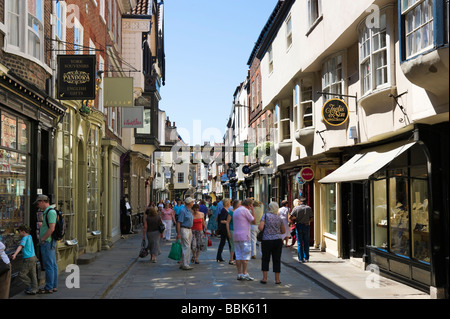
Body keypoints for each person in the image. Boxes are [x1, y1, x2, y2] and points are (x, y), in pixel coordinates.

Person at [36, 194, 58, 294]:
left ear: (42, 201)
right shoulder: (49, 212)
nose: (37, 205)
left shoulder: (50, 212)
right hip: (49, 241)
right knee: (52, 265)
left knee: (49, 265)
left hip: (48, 242)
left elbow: (52, 228)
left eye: (38, 203)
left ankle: (49, 287)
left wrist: (43, 239)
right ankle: (53, 286)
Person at [259, 202, 285, 284]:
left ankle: (264, 278)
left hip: (267, 240)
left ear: (269, 208)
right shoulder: (279, 218)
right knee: (277, 259)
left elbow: (260, 228)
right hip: (277, 240)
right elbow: (283, 231)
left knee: (265, 258)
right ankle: (277, 279)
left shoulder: (265, 216)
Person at [233, 198, 255, 281]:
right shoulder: (246, 211)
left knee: (238, 255)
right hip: (244, 235)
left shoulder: (236, 211)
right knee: (245, 256)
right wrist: (252, 210)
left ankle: (239, 274)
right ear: (249, 205)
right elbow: (254, 221)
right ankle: (245, 273)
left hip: (236, 235)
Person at [12, 225, 38, 295]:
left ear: (23, 231)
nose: (18, 233)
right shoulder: (30, 236)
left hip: (28, 259)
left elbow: (20, 246)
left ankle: (29, 285)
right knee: (33, 274)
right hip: (33, 257)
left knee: (21, 274)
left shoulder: (24, 238)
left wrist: (15, 254)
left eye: (19, 231)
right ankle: (34, 289)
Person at [290, 197, 314, 262]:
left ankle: (301, 258)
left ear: (300, 202)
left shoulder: (296, 208)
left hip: (298, 225)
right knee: (306, 242)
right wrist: (308, 221)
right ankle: (306, 258)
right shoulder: (308, 208)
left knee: (300, 243)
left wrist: (296, 218)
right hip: (306, 225)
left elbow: (290, 217)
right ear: (306, 202)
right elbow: (312, 218)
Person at [176, 197, 195, 270]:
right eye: (192, 202)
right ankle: (185, 264)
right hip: (184, 229)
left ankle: (185, 262)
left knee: (187, 246)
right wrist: (178, 233)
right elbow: (179, 222)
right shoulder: (183, 210)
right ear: (189, 203)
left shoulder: (189, 210)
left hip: (189, 229)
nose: (193, 203)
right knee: (186, 246)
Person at [216, 198, 232, 262]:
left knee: (223, 243)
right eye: (229, 203)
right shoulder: (224, 210)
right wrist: (228, 221)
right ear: (227, 203)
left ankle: (219, 256)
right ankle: (233, 256)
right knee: (229, 242)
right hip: (224, 228)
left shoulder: (225, 210)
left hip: (224, 228)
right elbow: (222, 221)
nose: (230, 204)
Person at [227, 200, 240, 265]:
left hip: (236, 230)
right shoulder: (231, 212)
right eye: (239, 204)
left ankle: (234, 258)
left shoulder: (237, 212)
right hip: (232, 230)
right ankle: (231, 259)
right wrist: (228, 231)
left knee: (235, 245)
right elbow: (227, 222)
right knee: (233, 245)